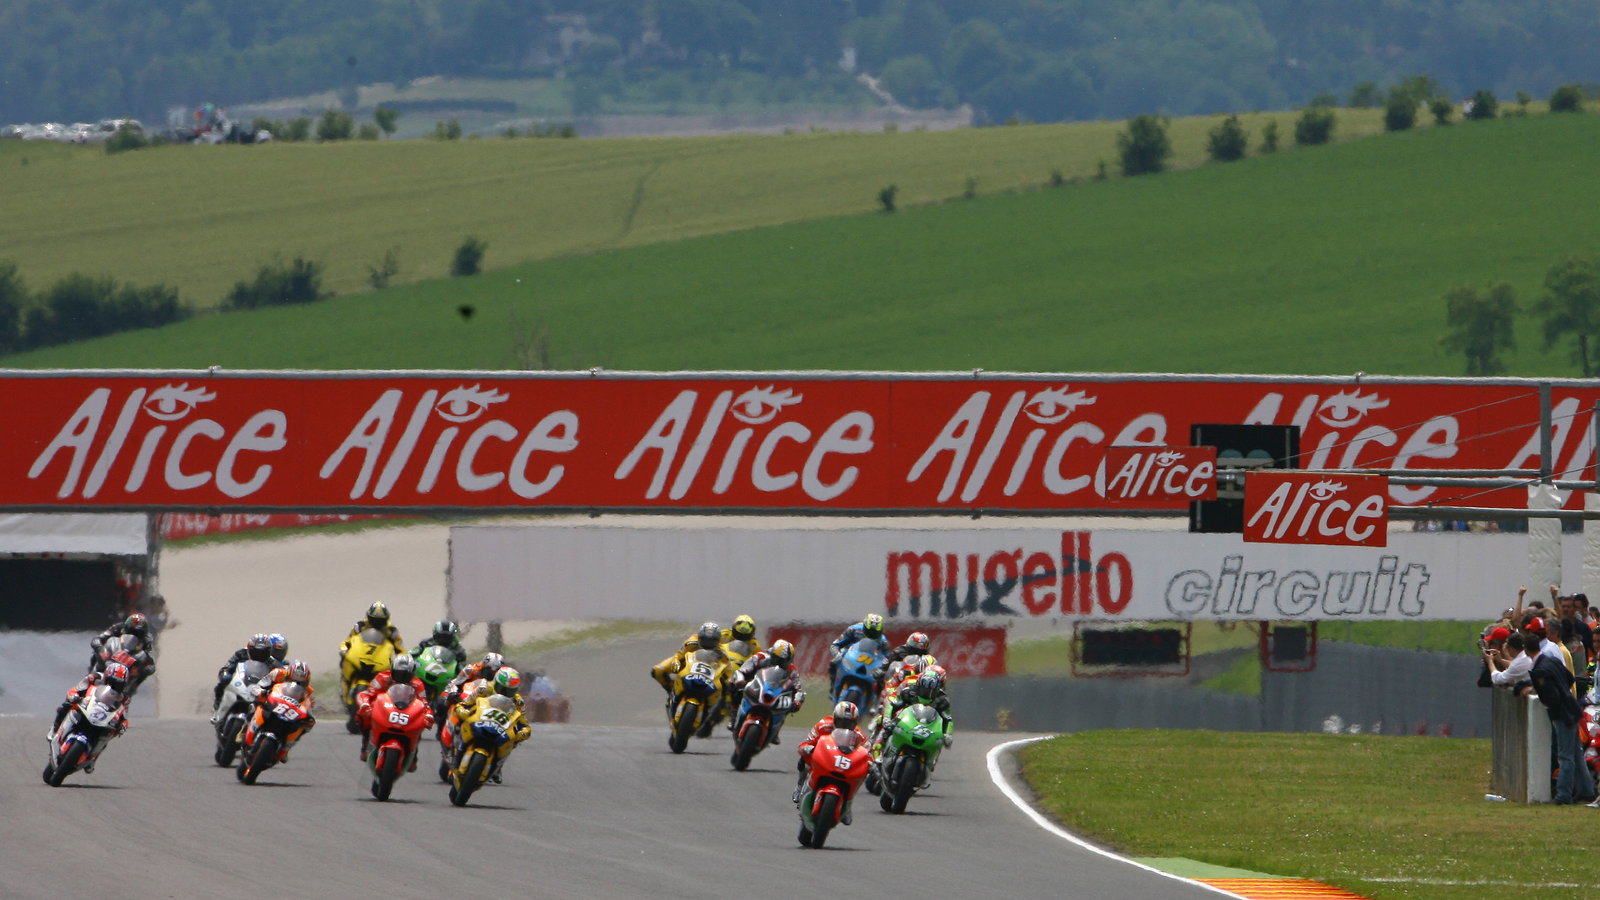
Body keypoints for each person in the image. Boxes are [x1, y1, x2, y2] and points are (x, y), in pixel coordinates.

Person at [1516, 627, 1596, 805]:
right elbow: (1569, 678)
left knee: (1565, 756)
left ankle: (1563, 795)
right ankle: (1587, 791)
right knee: (1575, 754)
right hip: (1572, 708)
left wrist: (1535, 690)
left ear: (1526, 650)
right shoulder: (1550, 661)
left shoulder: (1539, 670)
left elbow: (1550, 695)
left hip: (1562, 715)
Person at [452, 667, 532, 784]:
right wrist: (463, 711)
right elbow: (465, 703)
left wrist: (524, 732)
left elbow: (524, 723)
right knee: (459, 723)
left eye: (509, 691)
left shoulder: (518, 702)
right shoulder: (483, 689)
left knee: (514, 741)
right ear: (496, 683)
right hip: (479, 720)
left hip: (500, 727)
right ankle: (455, 752)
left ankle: (498, 765)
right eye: (502, 689)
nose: (505, 693)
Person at [793, 700, 868, 823]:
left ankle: (848, 804)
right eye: (841, 721)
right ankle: (800, 786)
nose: (844, 725)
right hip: (824, 757)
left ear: (855, 723)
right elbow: (805, 743)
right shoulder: (823, 725)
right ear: (835, 718)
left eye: (849, 723)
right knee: (804, 758)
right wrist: (807, 748)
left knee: (863, 772)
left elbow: (868, 750)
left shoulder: (858, 734)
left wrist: (871, 762)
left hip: (844, 762)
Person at [727, 639, 805, 744]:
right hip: (754, 686)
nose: (782, 664)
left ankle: (776, 730)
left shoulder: (791, 669)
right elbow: (742, 670)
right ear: (773, 655)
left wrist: (797, 700)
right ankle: (734, 715)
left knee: (787, 703)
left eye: (786, 661)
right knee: (733, 686)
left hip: (775, 693)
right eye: (779, 660)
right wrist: (740, 680)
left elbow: (798, 688)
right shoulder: (760, 657)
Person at [355, 653, 428, 763]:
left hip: (407, 711)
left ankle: (413, 753)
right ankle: (365, 743)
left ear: (412, 673)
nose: (401, 678)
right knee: (362, 715)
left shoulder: (418, 684)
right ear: (392, 670)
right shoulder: (382, 677)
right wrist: (365, 705)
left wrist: (428, 715)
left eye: (405, 675)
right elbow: (368, 694)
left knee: (421, 723)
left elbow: (424, 703)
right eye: (398, 674)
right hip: (384, 709)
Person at [51, 661, 133, 744]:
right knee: (67, 704)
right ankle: (55, 728)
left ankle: (96, 747)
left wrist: (123, 725)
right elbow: (76, 689)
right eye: (111, 682)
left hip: (104, 717)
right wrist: (74, 695)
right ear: (106, 677)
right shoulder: (94, 678)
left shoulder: (124, 697)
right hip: (86, 704)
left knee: (111, 731)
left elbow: (124, 716)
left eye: (118, 685)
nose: (113, 686)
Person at [252, 659, 316, 764]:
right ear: (287, 675)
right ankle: (244, 729)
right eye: (292, 680)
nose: (296, 684)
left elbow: (308, 707)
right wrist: (260, 691)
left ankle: (286, 748)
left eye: (301, 683)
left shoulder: (309, 691)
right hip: (270, 700)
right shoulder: (277, 673)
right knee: (252, 704)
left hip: (289, 711)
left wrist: (308, 718)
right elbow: (259, 685)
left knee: (303, 727)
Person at [650, 622, 730, 700]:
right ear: (699, 637)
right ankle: (671, 690)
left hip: (708, 671)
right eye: (705, 640)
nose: (708, 643)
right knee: (658, 670)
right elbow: (679, 655)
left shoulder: (722, 650)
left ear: (718, 640)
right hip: (687, 663)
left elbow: (726, 665)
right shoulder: (691, 642)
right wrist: (676, 662)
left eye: (712, 640)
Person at [212, 633, 273, 719]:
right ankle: (218, 705)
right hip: (240, 681)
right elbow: (225, 668)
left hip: (260, 687)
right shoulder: (241, 653)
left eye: (263, 653)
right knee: (225, 679)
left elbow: (280, 671)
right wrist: (225, 675)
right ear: (250, 649)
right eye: (256, 652)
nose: (259, 655)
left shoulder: (271, 661)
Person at [826, 613, 890, 685]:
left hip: (870, 661)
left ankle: (877, 690)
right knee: (834, 663)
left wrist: (883, 668)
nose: (871, 635)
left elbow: (888, 657)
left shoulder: (883, 640)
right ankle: (833, 686)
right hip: (849, 655)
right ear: (864, 627)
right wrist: (837, 654)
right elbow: (835, 645)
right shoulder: (853, 630)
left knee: (882, 676)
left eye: (875, 633)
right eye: (870, 631)